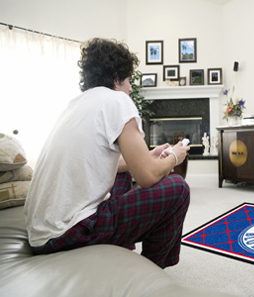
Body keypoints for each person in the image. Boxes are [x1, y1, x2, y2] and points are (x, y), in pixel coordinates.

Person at [24, 38, 190, 269]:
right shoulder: (117, 100)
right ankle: (151, 272)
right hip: (68, 232)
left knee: (121, 172)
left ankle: (121, 247)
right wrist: (175, 156)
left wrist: (147, 156)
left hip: (41, 232)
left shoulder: (76, 104)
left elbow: (106, 161)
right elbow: (147, 178)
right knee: (178, 189)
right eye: (129, 79)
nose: (131, 88)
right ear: (116, 77)